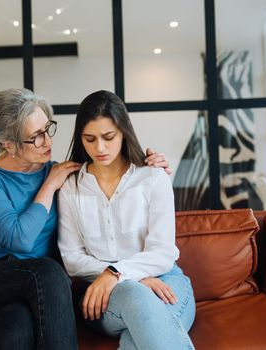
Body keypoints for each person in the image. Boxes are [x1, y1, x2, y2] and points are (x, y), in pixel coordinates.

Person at [0, 88, 171, 350]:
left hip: (22, 297)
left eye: (47, 129)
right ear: (8, 144)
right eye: (35, 137)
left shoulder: (64, 174)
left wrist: (152, 166)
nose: (48, 142)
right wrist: (48, 186)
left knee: (16, 325)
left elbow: (111, 173)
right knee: (47, 270)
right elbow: (20, 239)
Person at [58, 90, 196, 350]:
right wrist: (125, 278)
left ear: (123, 132)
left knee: (138, 337)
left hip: (166, 281)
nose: (99, 148)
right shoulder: (70, 188)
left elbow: (163, 251)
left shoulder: (153, 177)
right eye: (89, 139)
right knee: (134, 294)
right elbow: (72, 259)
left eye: (108, 137)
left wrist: (118, 272)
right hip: (106, 294)